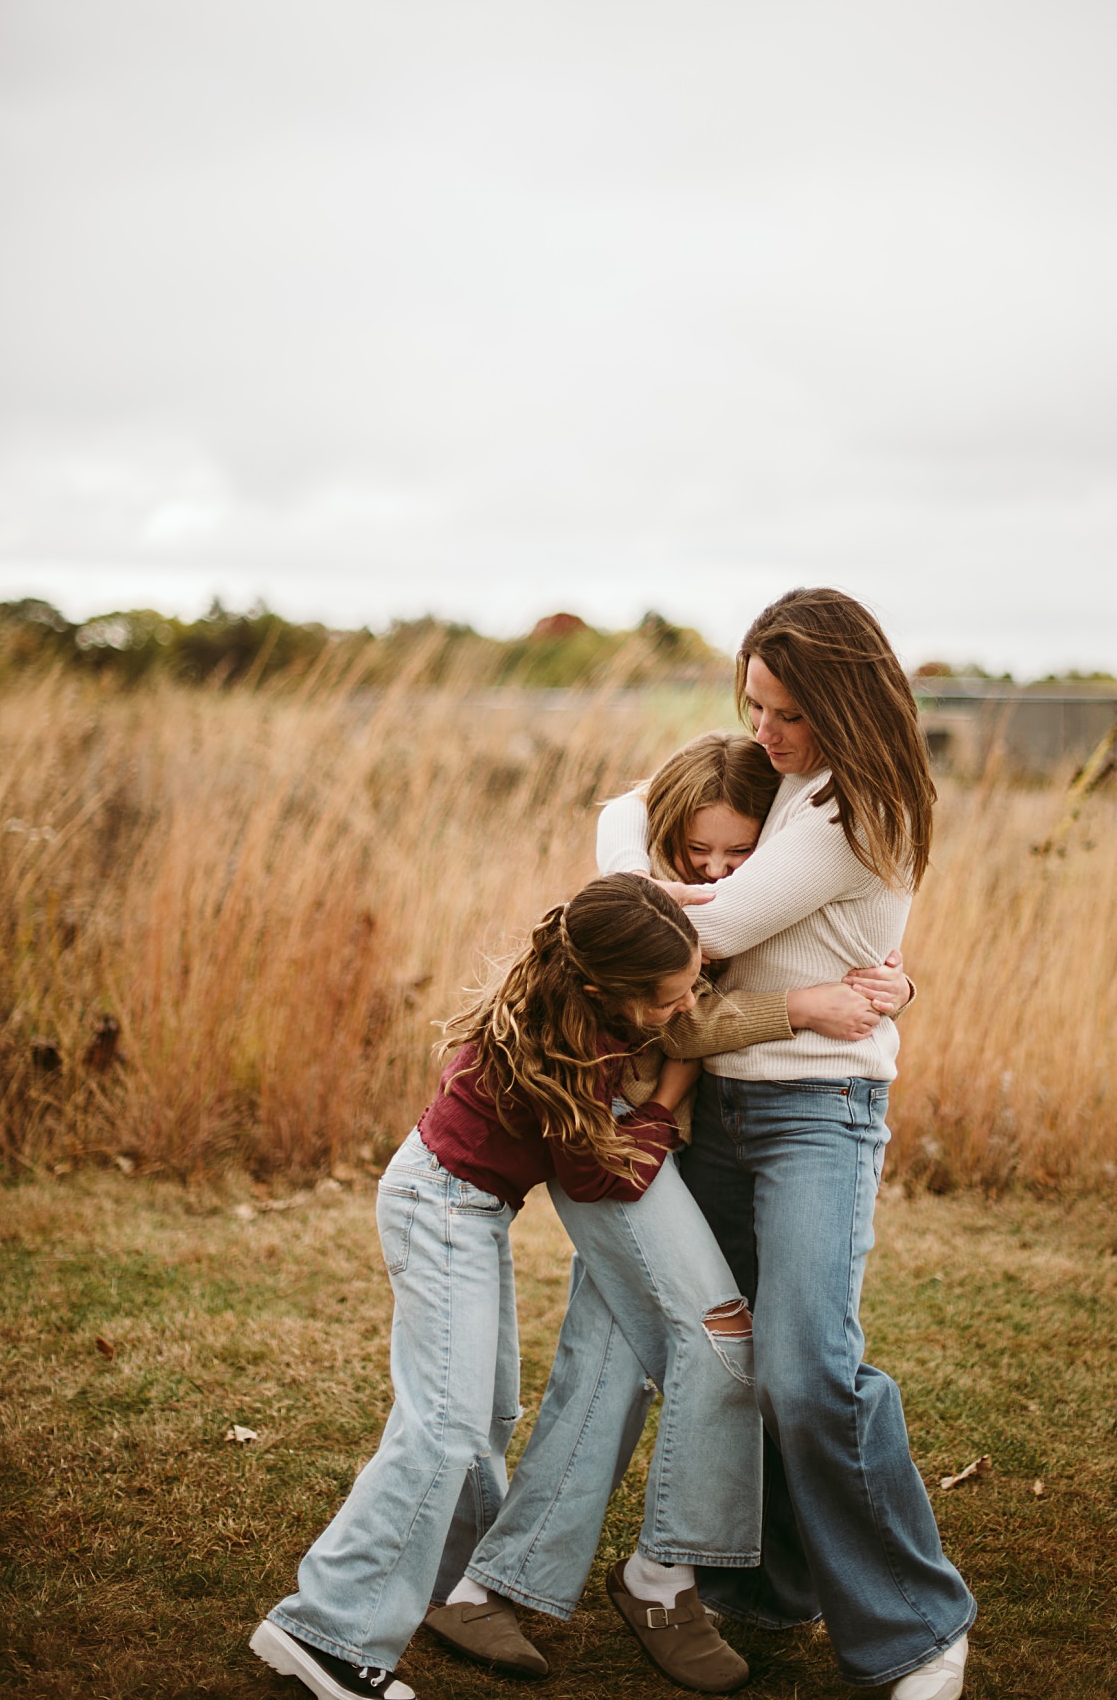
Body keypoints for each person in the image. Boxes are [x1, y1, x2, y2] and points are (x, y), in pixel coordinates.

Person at [442, 727, 914, 1682]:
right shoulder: (647, 891)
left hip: (656, 1137)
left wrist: (890, 981)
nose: (712, 870)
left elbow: (786, 951)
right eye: (695, 851)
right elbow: (682, 1009)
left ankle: (493, 1588)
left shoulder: (786, 859)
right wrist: (805, 1007)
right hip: (615, 1136)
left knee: (610, 1347)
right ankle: (661, 1575)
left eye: (736, 855)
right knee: (720, 1336)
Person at [250, 874, 766, 1700]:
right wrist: (671, 1092)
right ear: (609, 993)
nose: (684, 1011)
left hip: (464, 1207)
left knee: (485, 1414)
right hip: (440, 1208)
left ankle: (459, 1587)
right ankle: (329, 1628)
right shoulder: (576, 1049)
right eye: (670, 1000)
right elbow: (603, 1179)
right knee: (447, 1426)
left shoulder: (570, 996)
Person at [664, 589, 976, 1700]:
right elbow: (644, 819)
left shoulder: (860, 803)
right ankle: (773, 1580)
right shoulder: (789, 783)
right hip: (722, 1104)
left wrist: (600, 907)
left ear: (845, 700)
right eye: (753, 705)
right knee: (739, 1361)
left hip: (814, 1113)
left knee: (807, 1368)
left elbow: (704, 925)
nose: (765, 733)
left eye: (788, 711)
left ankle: (919, 1626)